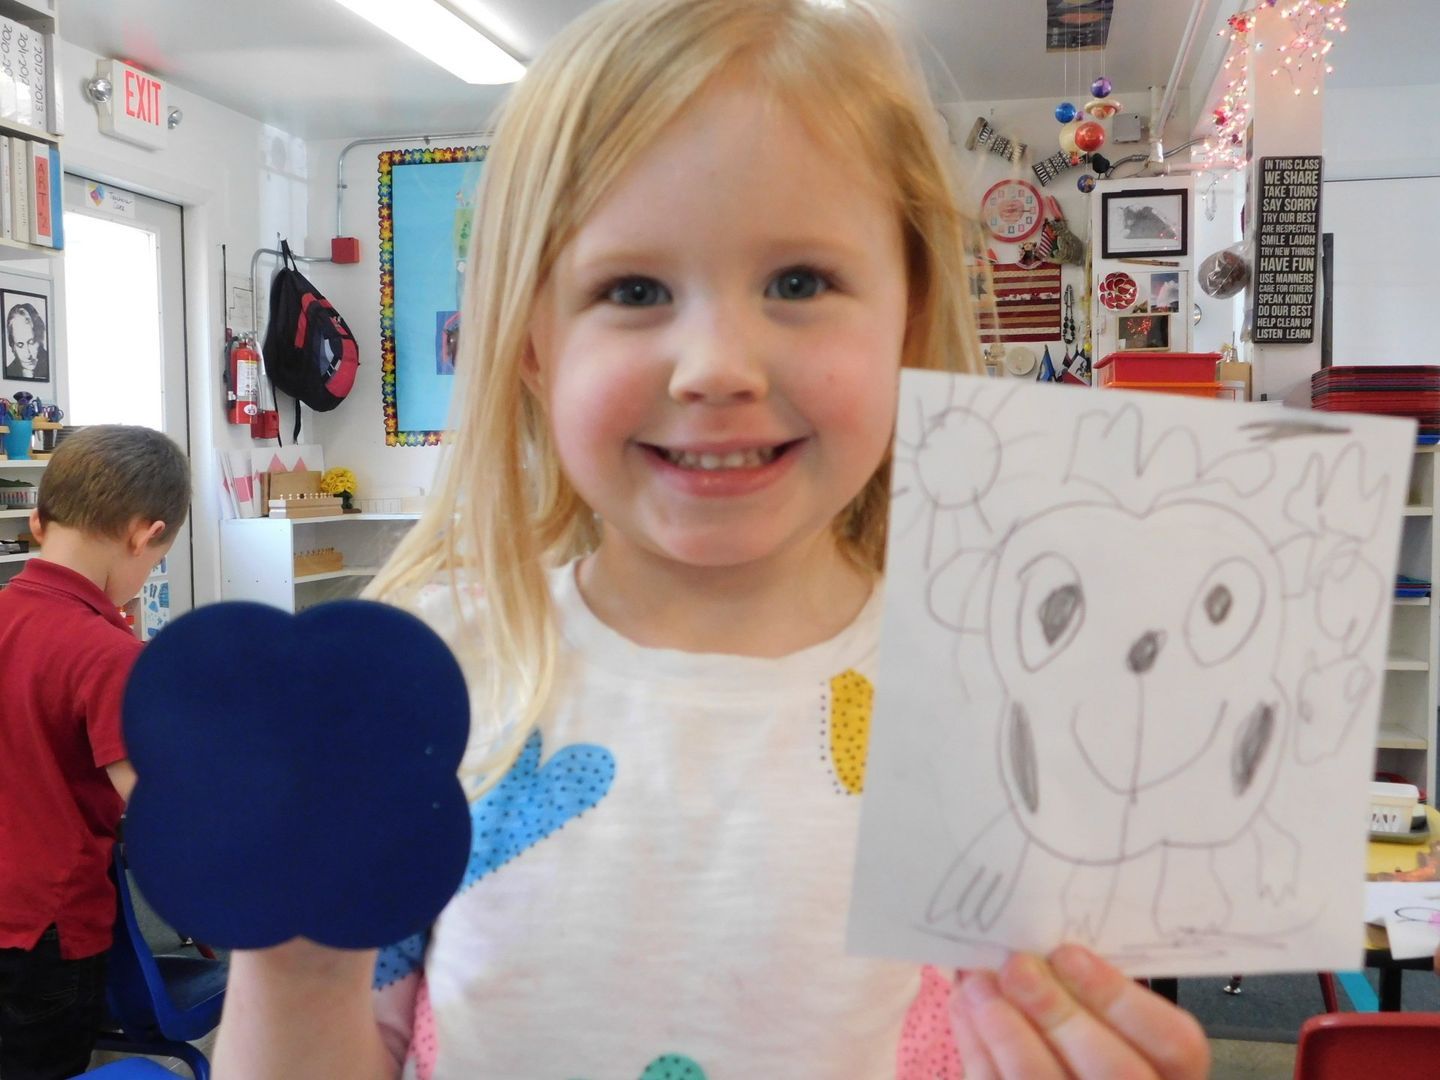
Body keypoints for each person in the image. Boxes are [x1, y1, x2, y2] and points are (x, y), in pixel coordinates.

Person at [213, 1, 1210, 1077]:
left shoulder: (996, 701)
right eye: (633, 290)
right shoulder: (436, 678)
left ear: (908, 320)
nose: (717, 365)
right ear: (536, 344)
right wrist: (294, 961)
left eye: (799, 282)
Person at [0, 425, 189, 1080]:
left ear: (37, 521)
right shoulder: (108, 655)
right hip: (48, 930)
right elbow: (161, 811)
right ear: (144, 535)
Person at [4, 304, 48, 382]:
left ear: (39, 337)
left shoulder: (52, 366)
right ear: (13, 346)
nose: (28, 354)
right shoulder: (8, 372)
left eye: (31, 342)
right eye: (20, 345)